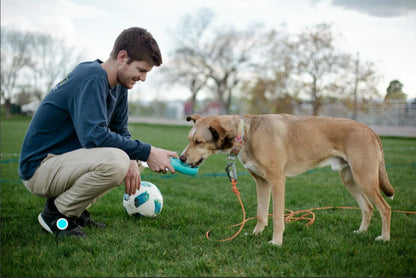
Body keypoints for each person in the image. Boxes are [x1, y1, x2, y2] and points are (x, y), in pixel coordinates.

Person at [18, 27, 178, 238]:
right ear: (122, 57)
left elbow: (120, 130)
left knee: (131, 161)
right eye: (141, 70)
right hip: (39, 167)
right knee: (118, 161)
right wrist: (147, 151)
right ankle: (55, 215)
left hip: (60, 163)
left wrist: (135, 157)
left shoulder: (120, 86)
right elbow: (94, 136)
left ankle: (75, 210)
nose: (143, 78)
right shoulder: (92, 77)